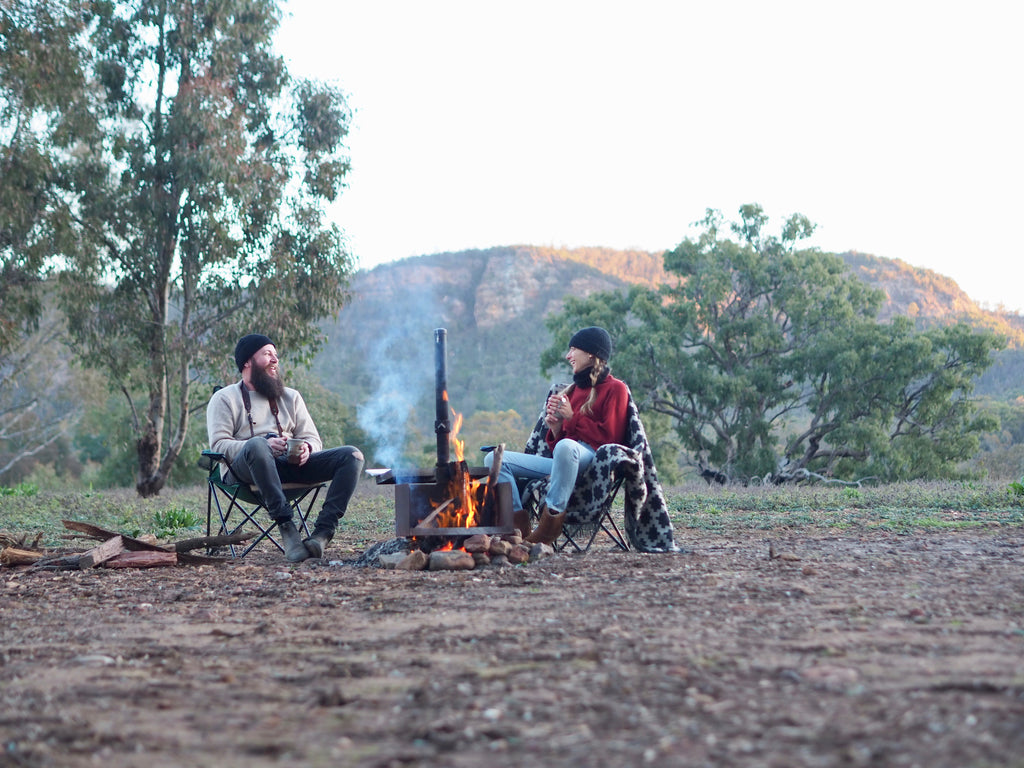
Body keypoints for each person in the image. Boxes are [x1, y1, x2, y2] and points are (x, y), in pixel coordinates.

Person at [207, 334, 365, 562]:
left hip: (289, 466)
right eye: (267, 354)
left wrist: (306, 449)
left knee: (352, 455)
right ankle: (288, 529)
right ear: (247, 362)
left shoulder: (291, 397)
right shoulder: (224, 398)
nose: (275, 360)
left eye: (276, 355)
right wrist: (264, 445)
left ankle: (321, 535)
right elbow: (219, 444)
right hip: (244, 470)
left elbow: (313, 439)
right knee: (258, 445)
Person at [485, 326, 629, 545]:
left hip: (594, 463)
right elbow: (560, 449)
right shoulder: (575, 390)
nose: (568, 356)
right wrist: (556, 427)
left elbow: (610, 440)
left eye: (573, 350)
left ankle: (549, 524)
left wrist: (572, 418)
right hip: (567, 460)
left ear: (591, 353)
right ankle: (516, 528)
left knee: (567, 447)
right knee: (494, 459)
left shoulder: (616, 389)